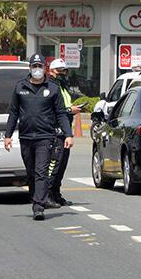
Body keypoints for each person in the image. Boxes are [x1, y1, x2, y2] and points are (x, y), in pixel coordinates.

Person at [4, 54, 73, 221]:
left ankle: (38, 206)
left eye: (39, 66)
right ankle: (36, 196)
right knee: (32, 172)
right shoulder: (20, 87)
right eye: (34, 66)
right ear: (30, 68)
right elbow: (13, 112)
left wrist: (68, 135)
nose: (37, 69)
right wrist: (8, 135)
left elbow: (61, 113)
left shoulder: (53, 88)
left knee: (41, 171)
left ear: (44, 68)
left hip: (45, 137)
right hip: (26, 137)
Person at [47, 58, 82, 207]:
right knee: (54, 165)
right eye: (59, 70)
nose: (62, 73)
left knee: (62, 165)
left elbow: (64, 108)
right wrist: (69, 110)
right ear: (51, 71)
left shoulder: (62, 86)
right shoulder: (49, 87)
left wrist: (71, 110)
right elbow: (53, 110)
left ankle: (56, 194)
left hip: (65, 129)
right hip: (55, 131)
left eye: (64, 70)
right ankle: (47, 195)